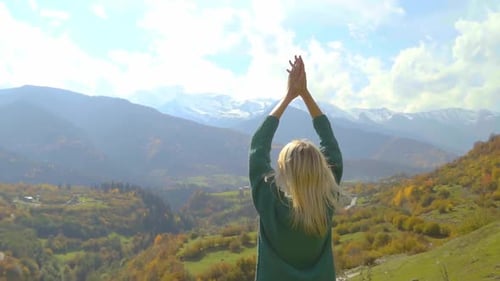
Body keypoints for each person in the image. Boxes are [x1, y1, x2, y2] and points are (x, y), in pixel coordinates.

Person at [249, 55, 343, 281]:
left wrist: (289, 96)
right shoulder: (326, 201)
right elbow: (329, 143)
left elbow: (258, 146)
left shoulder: (270, 202)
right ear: (321, 169)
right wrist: (305, 94)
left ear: (284, 172)